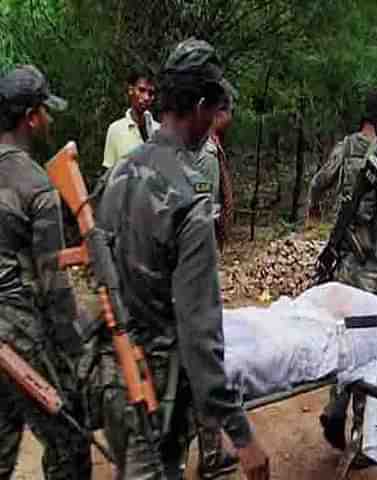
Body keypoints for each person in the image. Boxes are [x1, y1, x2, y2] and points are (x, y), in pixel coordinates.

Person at [95, 38, 270, 480]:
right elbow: (199, 336)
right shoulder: (188, 203)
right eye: (212, 111)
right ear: (197, 106)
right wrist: (242, 435)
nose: (214, 123)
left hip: (114, 376)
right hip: (158, 393)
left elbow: (100, 270)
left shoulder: (119, 175)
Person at [0, 65, 92, 479]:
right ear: (30, 117)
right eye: (45, 111)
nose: (49, 120)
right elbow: (53, 286)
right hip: (16, 326)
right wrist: (76, 348)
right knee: (70, 438)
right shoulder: (37, 185)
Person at [308, 92, 377, 454]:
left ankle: (335, 408)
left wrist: (314, 205)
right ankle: (361, 439)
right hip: (372, 268)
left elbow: (319, 180)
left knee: (344, 338)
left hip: (343, 262)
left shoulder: (345, 148)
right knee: (370, 346)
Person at [191, 81, 238, 478]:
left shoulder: (197, 147)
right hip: (197, 266)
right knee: (204, 353)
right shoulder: (205, 153)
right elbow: (202, 214)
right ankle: (209, 451)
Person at [194, 86, 235, 251]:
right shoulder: (208, 152)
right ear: (219, 114)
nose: (231, 119)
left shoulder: (210, 144)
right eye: (230, 112)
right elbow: (202, 190)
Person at [102, 68, 159, 171]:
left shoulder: (159, 131)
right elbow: (108, 174)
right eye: (141, 90)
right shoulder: (116, 130)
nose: (146, 97)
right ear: (131, 90)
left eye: (150, 93)